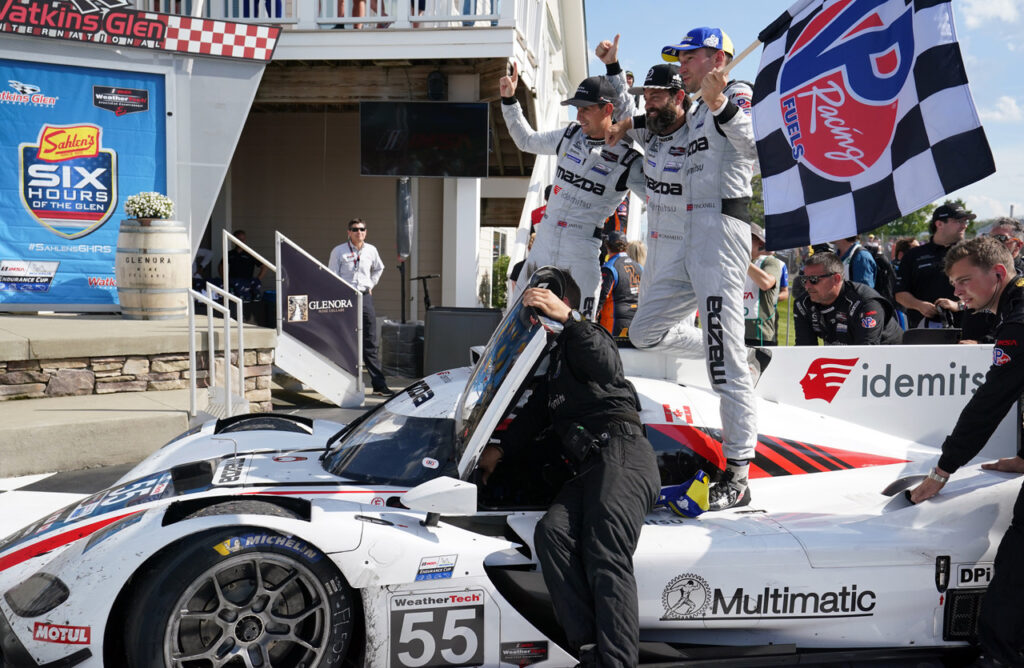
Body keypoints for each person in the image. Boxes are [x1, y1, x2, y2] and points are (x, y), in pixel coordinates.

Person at [477, 269, 660, 668]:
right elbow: (531, 418)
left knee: (604, 550)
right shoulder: (556, 364)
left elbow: (608, 365)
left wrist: (571, 318)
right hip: (592, 466)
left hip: (623, 454)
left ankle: (616, 663)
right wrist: (498, 450)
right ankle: (589, 649)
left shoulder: (584, 339)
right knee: (553, 533)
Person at [611, 27, 759, 510]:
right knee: (646, 330)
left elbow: (759, 151)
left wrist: (723, 107)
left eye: (688, 59)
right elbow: (652, 117)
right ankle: (738, 351)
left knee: (723, 368)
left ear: (716, 57)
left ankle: (738, 473)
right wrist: (621, 120)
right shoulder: (692, 106)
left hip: (721, 228)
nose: (681, 68)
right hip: (686, 238)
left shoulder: (733, 93)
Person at [909, 236, 1024, 667]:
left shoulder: (1018, 320)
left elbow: (989, 403)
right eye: (953, 284)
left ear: (997, 274)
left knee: (1016, 565)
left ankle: (999, 657)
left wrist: (942, 470)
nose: (957, 292)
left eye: (964, 281)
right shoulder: (1013, 305)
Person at [500, 36, 644, 319]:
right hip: (546, 235)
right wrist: (509, 100)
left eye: (585, 108)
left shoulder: (629, 159)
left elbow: (660, 196)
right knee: (516, 317)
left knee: (580, 321)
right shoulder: (569, 136)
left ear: (608, 109)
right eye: (576, 108)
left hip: (582, 245)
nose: (578, 115)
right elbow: (526, 140)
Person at [327, 218, 393, 396]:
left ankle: (379, 385)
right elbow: (331, 274)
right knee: (345, 340)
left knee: (370, 341)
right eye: (355, 229)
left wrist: (371, 284)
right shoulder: (339, 251)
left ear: (366, 232)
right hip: (346, 299)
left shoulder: (371, 250)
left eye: (362, 229)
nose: (359, 232)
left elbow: (379, 268)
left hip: (364, 297)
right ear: (348, 232)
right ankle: (343, 384)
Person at [793, 252, 902, 345]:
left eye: (813, 279)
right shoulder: (803, 303)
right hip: (846, 358)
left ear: (836, 279)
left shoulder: (866, 303)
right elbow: (804, 349)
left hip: (889, 362)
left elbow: (867, 353)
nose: (807, 286)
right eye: (804, 280)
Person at [895, 204, 975, 328]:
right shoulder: (913, 255)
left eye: (965, 221)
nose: (964, 225)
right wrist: (919, 305)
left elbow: (986, 293)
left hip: (966, 331)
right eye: (958, 221)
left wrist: (957, 305)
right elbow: (900, 294)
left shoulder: (973, 254)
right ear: (939, 224)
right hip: (923, 332)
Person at [597, 230, 642, 339]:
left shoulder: (609, 267)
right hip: (636, 322)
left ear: (607, 245)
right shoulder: (639, 266)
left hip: (613, 322)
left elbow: (601, 297)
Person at [745, 224, 784, 346]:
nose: (761, 245)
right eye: (757, 241)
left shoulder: (769, 261)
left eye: (761, 242)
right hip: (732, 330)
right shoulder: (729, 261)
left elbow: (766, 283)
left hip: (758, 334)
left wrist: (741, 259)